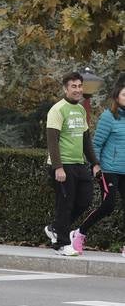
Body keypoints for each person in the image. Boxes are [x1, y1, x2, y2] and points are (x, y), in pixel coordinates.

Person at [44, 71, 100, 257]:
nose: (77, 90)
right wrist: (57, 167)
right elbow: (52, 140)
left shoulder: (81, 109)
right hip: (63, 165)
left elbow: (85, 140)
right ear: (65, 88)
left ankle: (55, 228)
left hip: (79, 163)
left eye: (79, 86)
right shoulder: (58, 109)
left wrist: (95, 163)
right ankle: (61, 244)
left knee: (84, 201)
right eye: (73, 86)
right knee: (65, 204)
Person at [76, 81, 125, 254]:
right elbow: (96, 144)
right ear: (116, 97)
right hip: (109, 170)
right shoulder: (108, 117)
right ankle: (79, 233)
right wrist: (95, 165)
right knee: (108, 205)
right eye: (124, 95)